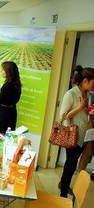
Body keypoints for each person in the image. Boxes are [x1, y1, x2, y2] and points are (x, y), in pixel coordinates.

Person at [58, 66, 94, 197]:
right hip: (72, 135)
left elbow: (83, 115)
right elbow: (63, 116)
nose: (93, 86)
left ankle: (63, 185)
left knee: (71, 164)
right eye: (93, 82)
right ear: (85, 80)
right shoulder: (71, 94)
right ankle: (63, 193)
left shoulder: (86, 94)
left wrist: (89, 111)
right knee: (71, 165)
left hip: (83, 136)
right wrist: (80, 108)